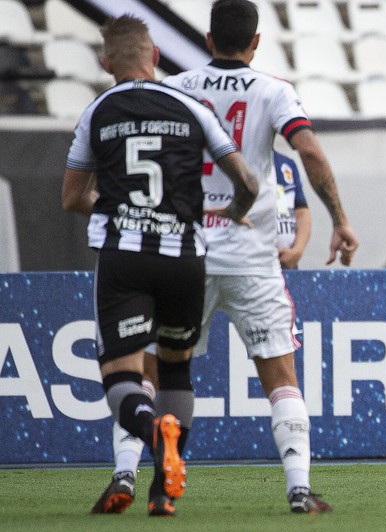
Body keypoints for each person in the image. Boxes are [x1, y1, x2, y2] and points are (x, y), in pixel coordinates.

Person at [106, 0, 359, 516]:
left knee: (151, 373)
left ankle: (126, 477)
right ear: (256, 41)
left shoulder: (176, 88)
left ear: (206, 39)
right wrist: (340, 219)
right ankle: (298, 491)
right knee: (280, 377)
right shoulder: (274, 90)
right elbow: (308, 151)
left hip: (185, 252)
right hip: (251, 256)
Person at [61, 14, 258, 517]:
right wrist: (232, 215)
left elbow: (72, 198)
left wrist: (114, 206)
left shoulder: (97, 112)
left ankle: (153, 433)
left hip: (125, 256)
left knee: (122, 376)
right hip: (186, 258)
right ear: (154, 58)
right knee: (176, 370)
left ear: (106, 63)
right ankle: (162, 495)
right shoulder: (191, 107)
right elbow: (249, 185)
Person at [274, 150, 311, 269]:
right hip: (255, 266)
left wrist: (297, 251)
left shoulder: (287, 164)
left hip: (288, 265)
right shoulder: (237, 161)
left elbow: (301, 212)